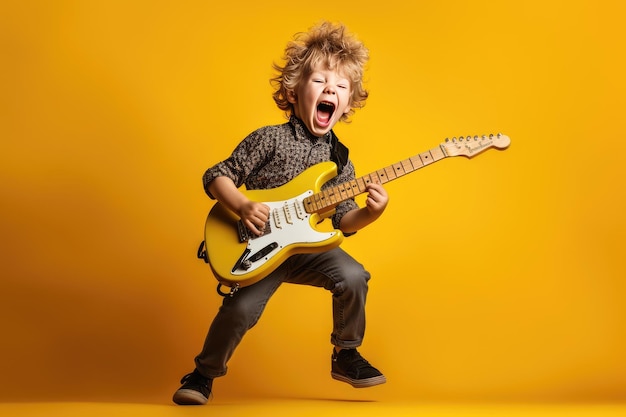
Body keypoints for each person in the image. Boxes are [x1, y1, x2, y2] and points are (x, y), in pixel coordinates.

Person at [173, 21, 389, 405]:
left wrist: (371, 213)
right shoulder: (268, 139)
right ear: (294, 90)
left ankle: (346, 353)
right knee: (239, 311)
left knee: (354, 275)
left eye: (340, 87)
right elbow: (216, 177)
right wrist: (240, 205)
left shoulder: (340, 161)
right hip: (258, 249)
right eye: (320, 81)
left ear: (348, 102)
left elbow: (343, 220)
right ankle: (203, 374)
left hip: (307, 250)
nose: (330, 91)